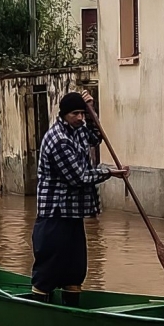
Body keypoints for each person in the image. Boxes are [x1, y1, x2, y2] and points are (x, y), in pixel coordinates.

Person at [30, 90, 129, 307]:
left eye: (82, 114)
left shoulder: (79, 129)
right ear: (64, 114)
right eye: (76, 114)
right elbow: (78, 177)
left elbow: (96, 136)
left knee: (75, 269)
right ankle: (39, 310)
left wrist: (93, 110)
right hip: (54, 214)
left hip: (74, 213)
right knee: (49, 267)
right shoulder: (58, 140)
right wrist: (110, 173)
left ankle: (72, 309)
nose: (80, 118)